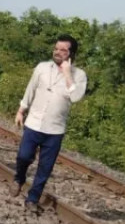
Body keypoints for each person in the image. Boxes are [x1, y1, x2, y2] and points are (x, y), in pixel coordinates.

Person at [12, 35, 87, 211]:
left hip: (55, 128)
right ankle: (19, 178)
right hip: (34, 122)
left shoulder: (80, 75)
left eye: (63, 50)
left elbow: (76, 97)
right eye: (56, 48)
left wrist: (68, 74)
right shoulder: (42, 68)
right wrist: (21, 110)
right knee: (23, 156)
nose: (58, 52)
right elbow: (30, 89)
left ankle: (32, 198)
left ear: (71, 54)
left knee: (45, 168)